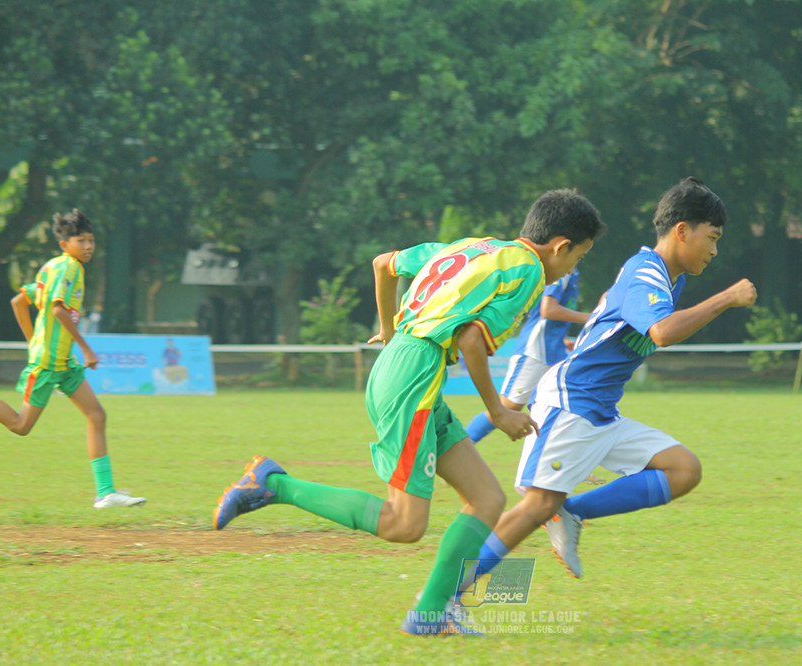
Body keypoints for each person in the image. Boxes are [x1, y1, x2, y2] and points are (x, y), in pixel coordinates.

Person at [212, 189, 605, 636]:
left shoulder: (473, 247)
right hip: (412, 379)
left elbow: (384, 263)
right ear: (559, 246)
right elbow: (471, 339)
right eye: (580, 256)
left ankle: (430, 616)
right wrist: (497, 412)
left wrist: (387, 327)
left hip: (406, 365)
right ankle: (273, 484)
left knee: (487, 499)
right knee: (404, 524)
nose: (574, 268)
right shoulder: (529, 271)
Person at [463, 177, 755, 587]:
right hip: (572, 401)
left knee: (683, 469)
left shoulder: (669, 278)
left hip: (600, 409)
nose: (714, 249)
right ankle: (441, 599)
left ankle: (574, 511)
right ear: (682, 230)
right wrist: (726, 298)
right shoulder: (646, 273)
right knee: (536, 506)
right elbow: (662, 333)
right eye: (712, 237)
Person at [0, 209, 146, 509]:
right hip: (49, 363)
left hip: (62, 362)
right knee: (21, 426)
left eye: (91, 240)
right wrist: (87, 349)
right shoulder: (68, 269)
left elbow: (18, 301)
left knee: (97, 415)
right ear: (66, 244)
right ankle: (105, 492)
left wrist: (32, 341)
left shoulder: (52, 267)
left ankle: (105, 493)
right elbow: (58, 310)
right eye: (81, 240)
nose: (88, 246)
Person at [463, 268, 589, 444]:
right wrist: (592, 317)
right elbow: (548, 309)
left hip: (555, 349)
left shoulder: (571, 268)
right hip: (536, 350)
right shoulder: (564, 269)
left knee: (567, 407)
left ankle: (572, 469)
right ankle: (457, 448)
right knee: (507, 407)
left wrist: (563, 338)